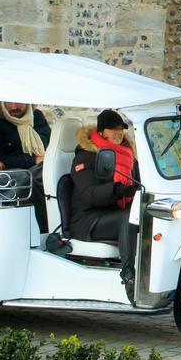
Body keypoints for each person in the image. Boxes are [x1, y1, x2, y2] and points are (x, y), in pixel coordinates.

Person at [70, 108, 139, 283]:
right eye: (112, 129)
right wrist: (115, 190)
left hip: (112, 213)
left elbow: (141, 182)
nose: (117, 133)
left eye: (120, 129)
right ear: (101, 131)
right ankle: (129, 277)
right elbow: (87, 195)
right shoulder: (85, 156)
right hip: (87, 219)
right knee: (127, 218)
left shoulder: (128, 156)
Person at [0, 101, 51, 230]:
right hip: (13, 172)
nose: (14, 107)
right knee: (36, 178)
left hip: (44, 163)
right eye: (9, 102)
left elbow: (49, 141)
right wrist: (33, 160)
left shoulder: (36, 117)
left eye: (19, 102)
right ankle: (45, 228)